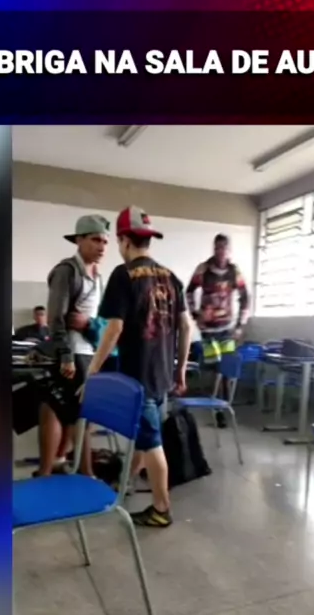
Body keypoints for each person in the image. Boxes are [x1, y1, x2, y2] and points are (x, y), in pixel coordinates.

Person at [80, 206, 191, 528]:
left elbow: (113, 329)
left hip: (138, 376)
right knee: (146, 434)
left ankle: (161, 508)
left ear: (124, 240)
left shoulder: (122, 275)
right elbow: (186, 327)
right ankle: (127, 480)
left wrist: (93, 371)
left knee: (152, 442)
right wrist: (180, 369)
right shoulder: (171, 277)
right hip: (163, 374)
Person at [36, 214, 109, 477]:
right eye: (95, 240)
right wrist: (66, 356)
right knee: (56, 409)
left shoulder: (97, 275)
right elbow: (55, 317)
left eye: (105, 241)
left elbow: (99, 318)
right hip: (70, 353)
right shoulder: (67, 271)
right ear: (79, 240)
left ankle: (75, 471)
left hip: (87, 354)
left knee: (77, 414)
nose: (102, 246)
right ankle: (51, 471)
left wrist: (92, 329)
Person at [186, 234, 249, 426]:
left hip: (227, 328)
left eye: (224, 248)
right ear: (214, 249)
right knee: (215, 367)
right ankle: (217, 407)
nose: (221, 251)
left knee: (226, 369)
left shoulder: (234, 271)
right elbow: (189, 291)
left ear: (229, 251)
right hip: (208, 330)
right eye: (218, 248)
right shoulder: (203, 269)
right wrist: (195, 315)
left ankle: (222, 407)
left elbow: (245, 297)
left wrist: (240, 324)